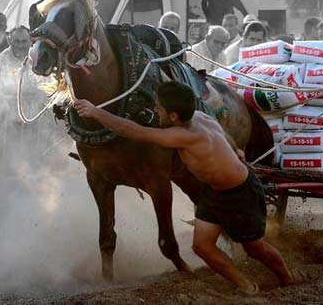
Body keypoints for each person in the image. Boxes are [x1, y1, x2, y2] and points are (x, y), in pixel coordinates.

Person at [74, 82, 295, 293]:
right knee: (201, 247)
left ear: (173, 116)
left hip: (239, 193)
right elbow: (224, 134)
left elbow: (136, 132)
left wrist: (96, 112)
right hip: (212, 192)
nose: (154, 110)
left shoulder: (183, 136)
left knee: (255, 249)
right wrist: (236, 150)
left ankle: (287, 277)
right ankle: (247, 286)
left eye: (158, 108)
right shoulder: (201, 116)